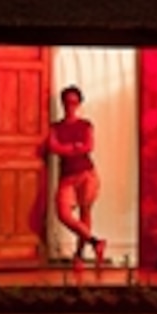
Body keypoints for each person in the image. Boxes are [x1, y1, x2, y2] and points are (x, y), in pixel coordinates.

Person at [42, 84, 105, 264]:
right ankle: (95, 242)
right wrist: (74, 147)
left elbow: (88, 146)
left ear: (79, 103)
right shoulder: (56, 127)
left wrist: (67, 148)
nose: (70, 105)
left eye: (74, 102)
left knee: (85, 212)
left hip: (87, 173)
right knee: (63, 214)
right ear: (63, 103)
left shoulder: (85, 125)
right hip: (67, 177)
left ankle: (79, 254)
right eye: (67, 102)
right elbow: (53, 147)